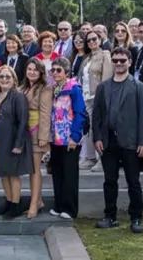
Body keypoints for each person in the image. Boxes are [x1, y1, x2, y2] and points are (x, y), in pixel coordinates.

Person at [92, 48, 143, 233]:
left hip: (131, 142)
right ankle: (110, 216)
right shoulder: (103, 87)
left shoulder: (138, 86)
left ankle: (136, 218)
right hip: (108, 141)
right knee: (110, 180)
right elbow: (97, 115)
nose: (118, 63)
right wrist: (97, 137)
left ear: (130, 62)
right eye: (115, 60)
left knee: (133, 181)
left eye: (122, 60)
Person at [47, 57, 86, 220]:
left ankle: (70, 208)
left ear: (66, 72)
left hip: (69, 138)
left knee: (70, 174)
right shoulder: (54, 88)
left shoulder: (74, 88)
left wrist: (75, 136)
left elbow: (80, 113)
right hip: (55, 139)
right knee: (57, 173)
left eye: (58, 70)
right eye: (53, 70)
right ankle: (59, 204)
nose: (55, 73)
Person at [0, 65, 31, 220]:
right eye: (1, 77)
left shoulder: (18, 96)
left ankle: (15, 205)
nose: (4, 79)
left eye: (8, 76)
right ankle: (8, 202)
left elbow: (23, 121)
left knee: (13, 174)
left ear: (14, 79)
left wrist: (18, 144)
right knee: (3, 173)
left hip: (12, 140)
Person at [77, 30, 113, 172]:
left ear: (100, 39)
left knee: (99, 128)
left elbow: (107, 78)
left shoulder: (105, 55)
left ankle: (102, 159)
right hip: (85, 97)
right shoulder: (87, 58)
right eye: (89, 40)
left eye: (94, 39)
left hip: (98, 97)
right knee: (87, 127)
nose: (91, 42)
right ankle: (90, 157)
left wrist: (103, 97)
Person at [20, 58, 51, 219]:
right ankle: (38, 200)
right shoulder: (23, 87)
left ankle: (34, 204)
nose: (31, 72)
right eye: (29, 69)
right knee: (31, 169)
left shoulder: (44, 89)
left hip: (37, 132)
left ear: (40, 72)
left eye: (35, 70)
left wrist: (43, 136)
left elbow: (45, 113)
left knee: (35, 170)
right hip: (25, 132)